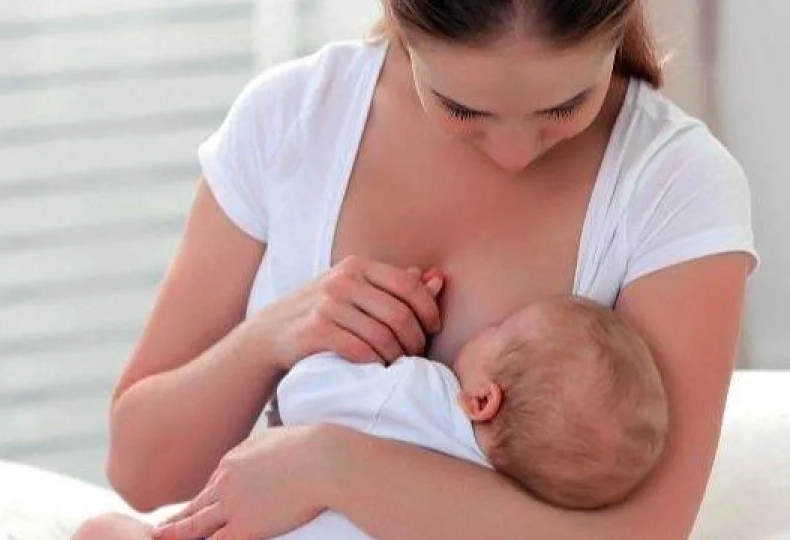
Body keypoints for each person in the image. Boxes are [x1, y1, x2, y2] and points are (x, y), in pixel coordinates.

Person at [103, 0, 757, 538]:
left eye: (563, 107)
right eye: (462, 109)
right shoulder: (289, 120)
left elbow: (642, 533)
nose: (512, 153)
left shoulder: (674, 183)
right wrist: (275, 333)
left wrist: (328, 467)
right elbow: (141, 473)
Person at [72, 295, 669, 540]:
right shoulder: (502, 502)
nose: (485, 326)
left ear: (483, 400)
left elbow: (307, 393)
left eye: (499, 329)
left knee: (104, 532)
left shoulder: (422, 396)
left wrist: (353, 344)